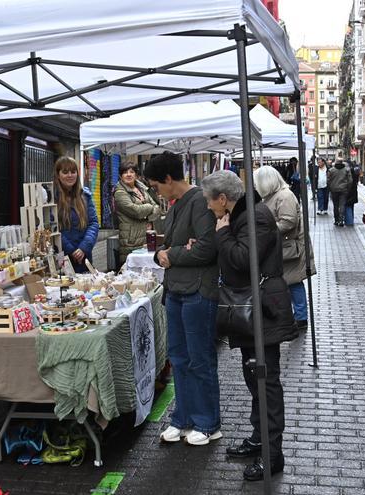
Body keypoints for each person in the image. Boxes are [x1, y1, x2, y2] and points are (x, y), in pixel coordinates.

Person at [201, 169, 296, 481]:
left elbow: (243, 260)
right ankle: (259, 439)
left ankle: (272, 456)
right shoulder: (244, 214)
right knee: (255, 378)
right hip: (253, 308)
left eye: (209, 201)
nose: (208, 206)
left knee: (266, 382)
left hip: (262, 308)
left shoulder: (253, 217)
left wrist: (222, 234)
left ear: (223, 199)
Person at [144, 151, 221, 446]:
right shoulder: (176, 204)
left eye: (156, 185)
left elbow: (206, 248)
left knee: (199, 359)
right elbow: (169, 245)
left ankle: (208, 422)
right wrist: (162, 254)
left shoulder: (200, 201)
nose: (156, 192)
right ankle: (183, 418)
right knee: (178, 357)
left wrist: (172, 255)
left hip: (198, 291)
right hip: (176, 290)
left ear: (168, 179)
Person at [254, 166, 313, 331]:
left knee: (294, 281)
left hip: (289, 248)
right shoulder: (274, 196)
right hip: (283, 247)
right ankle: (297, 316)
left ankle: (301, 317)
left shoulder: (284, 196)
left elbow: (288, 222)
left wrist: (265, 230)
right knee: (290, 282)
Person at [55, 156, 99, 273]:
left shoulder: (85, 196)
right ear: (58, 175)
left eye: (73, 172)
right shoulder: (52, 199)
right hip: (62, 257)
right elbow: (53, 229)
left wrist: (84, 247)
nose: (70, 175)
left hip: (84, 256)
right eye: (65, 172)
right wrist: (71, 250)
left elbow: (93, 223)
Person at [113, 161, 162, 267]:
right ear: (120, 176)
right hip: (132, 240)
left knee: (149, 269)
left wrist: (148, 215)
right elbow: (136, 211)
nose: (128, 175)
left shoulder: (142, 188)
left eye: (131, 172)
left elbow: (157, 208)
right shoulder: (120, 192)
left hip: (147, 236)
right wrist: (149, 207)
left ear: (136, 175)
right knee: (133, 269)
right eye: (125, 172)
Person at [327, 151, 352, 226]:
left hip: (334, 190)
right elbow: (350, 181)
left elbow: (328, 180)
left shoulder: (331, 170)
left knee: (335, 205)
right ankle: (341, 220)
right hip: (344, 190)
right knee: (342, 205)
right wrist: (348, 188)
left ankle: (336, 220)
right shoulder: (347, 170)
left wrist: (330, 188)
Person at [344, 159, 361, 226]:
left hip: (348, 191)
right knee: (351, 206)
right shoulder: (354, 171)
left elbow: (349, 182)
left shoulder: (347, 172)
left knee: (348, 205)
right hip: (353, 191)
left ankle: (349, 221)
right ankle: (350, 219)